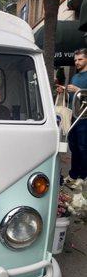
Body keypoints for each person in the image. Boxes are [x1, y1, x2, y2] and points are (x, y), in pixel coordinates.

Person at [57, 48, 87, 187]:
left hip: (85, 118)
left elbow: (80, 93)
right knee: (74, 147)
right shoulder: (75, 76)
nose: (77, 62)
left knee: (83, 147)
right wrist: (64, 91)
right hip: (74, 117)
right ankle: (74, 174)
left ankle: (83, 176)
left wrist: (78, 90)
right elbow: (73, 98)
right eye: (75, 60)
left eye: (80, 59)